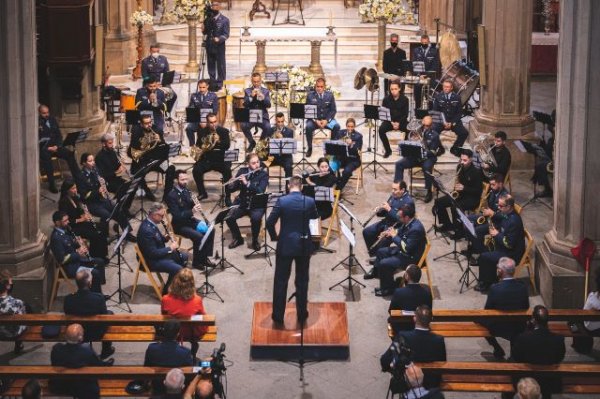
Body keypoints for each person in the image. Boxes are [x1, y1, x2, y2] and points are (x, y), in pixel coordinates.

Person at [267, 175, 319, 324]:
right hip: (303, 245)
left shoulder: (282, 201)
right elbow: (315, 217)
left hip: (285, 245)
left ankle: (278, 316)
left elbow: (270, 222)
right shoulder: (309, 201)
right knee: (302, 281)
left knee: (280, 281)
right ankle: (302, 313)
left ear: (289, 186)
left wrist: (275, 237)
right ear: (301, 187)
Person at [366, 204, 426, 297]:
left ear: (406, 217)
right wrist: (389, 232)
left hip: (411, 257)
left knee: (384, 263)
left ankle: (388, 289)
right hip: (405, 251)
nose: (398, 219)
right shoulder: (409, 222)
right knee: (381, 251)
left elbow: (406, 248)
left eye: (400, 217)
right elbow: (401, 231)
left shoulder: (416, 229)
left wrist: (394, 236)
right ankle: (380, 275)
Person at [381, 306, 446, 390]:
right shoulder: (439, 340)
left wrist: (387, 367)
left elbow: (385, 359)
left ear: (414, 318)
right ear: (431, 319)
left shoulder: (403, 336)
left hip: (409, 381)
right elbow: (442, 362)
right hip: (431, 382)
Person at [76, 152, 136, 242]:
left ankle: (127, 233)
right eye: (90, 161)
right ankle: (104, 237)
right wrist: (97, 191)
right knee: (107, 215)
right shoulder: (81, 176)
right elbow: (84, 196)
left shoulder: (95, 169)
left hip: (102, 199)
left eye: (93, 160)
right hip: (92, 203)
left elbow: (102, 179)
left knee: (118, 211)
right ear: (84, 163)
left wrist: (104, 183)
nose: (93, 162)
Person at [165, 169, 215, 270]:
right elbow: (177, 216)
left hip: (190, 221)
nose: (185, 182)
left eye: (186, 179)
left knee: (211, 229)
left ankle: (204, 257)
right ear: (176, 181)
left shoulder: (187, 191)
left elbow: (190, 203)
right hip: (179, 225)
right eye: (182, 179)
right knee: (198, 236)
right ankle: (196, 262)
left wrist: (196, 204)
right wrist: (192, 211)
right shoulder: (171, 196)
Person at [475, 194, 525, 292]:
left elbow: (509, 244)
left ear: (509, 207)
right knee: (486, 252)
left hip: (512, 253)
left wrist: (497, 234)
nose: (498, 207)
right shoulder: (507, 214)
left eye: (501, 206)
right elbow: (501, 220)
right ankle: (490, 277)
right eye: (498, 204)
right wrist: (494, 226)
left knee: (484, 257)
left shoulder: (514, 221)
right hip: (505, 247)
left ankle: (486, 283)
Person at [512, 305, 566, 399]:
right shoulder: (558, 339)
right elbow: (560, 357)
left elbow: (517, 357)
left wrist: (527, 330)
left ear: (534, 320)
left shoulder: (523, 338)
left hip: (528, 377)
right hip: (549, 380)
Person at [482, 257, 529, 359]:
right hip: (518, 325)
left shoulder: (495, 288)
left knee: (478, 319)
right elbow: (526, 307)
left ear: (500, 271)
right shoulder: (522, 287)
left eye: (497, 268)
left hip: (499, 327)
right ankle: (513, 355)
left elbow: (487, 310)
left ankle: (497, 348)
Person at [49, 323, 113, 399]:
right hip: (83, 388)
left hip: (61, 385)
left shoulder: (56, 349)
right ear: (81, 338)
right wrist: (104, 365)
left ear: (65, 336)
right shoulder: (86, 350)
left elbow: (54, 363)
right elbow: (97, 366)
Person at [49, 211, 107, 294]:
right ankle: (95, 295)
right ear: (57, 222)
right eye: (65, 221)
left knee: (100, 262)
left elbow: (70, 243)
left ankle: (96, 290)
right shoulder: (56, 238)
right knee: (95, 273)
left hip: (76, 260)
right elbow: (62, 260)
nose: (68, 222)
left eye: (67, 219)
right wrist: (78, 253)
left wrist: (78, 243)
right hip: (70, 267)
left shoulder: (64, 230)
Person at [137, 203, 187, 295]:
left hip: (159, 254)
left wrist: (166, 237)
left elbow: (158, 239)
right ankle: (167, 292)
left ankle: (175, 285)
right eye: (162, 216)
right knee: (178, 269)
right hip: (151, 260)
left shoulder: (152, 223)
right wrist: (170, 248)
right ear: (154, 215)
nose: (163, 218)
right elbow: (152, 253)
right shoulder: (146, 230)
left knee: (184, 256)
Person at [64, 270, 115, 359]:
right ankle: (106, 349)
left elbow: (67, 314)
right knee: (109, 314)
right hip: (95, 333)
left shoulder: (68, 299)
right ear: (90, 283)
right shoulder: (98, 298)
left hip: (76, 333)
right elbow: (104, 317)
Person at [225, 152, 269, 251]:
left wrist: (247, 183)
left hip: (257, 203)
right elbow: (234, 188)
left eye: (258, 162)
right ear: (247, 164)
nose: (257, 164)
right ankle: (238, 238)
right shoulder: (242, 171)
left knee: (256, 219)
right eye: (253, 163)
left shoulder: (263, 174)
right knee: (228, 217)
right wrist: (231, 184)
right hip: (242, 202)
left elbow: (261, 190)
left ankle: (254, 240)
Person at [433, 149, 482, 235]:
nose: (462, 162)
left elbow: (478, 191)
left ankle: (459, 231)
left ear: (470, 159)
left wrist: (464, 188)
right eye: (461, 160)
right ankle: (447, 224)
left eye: (465, 160)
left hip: (472, 198)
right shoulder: (460, 167)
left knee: (454, 207)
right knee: (439, 202)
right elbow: (459, 181)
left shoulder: (476, 172)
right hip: (461, 194)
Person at [161, 269, 208, 359]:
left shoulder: (165, 299)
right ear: (192, 284)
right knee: (200, 320)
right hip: (191, 331)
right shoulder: (197, 300)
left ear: (175, 282)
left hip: (174, 331)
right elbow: (203, 317)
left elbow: (163, 316)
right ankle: (193, 347)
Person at [58, 179, 109, 259]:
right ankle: (96, 256)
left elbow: (80, 210)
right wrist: (81, 219)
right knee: (95, 234)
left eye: (75, 187)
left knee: (102, 227)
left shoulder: (75, 197)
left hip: (81, 223)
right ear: (67, 190)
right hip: (73, 227)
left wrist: (85, 213)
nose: (75, 190)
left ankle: (103, 253)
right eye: (73, 188)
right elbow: (66, 221)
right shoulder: (63, 202)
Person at [394, 115, 441, 202]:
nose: (426, 127)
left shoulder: (435, 135)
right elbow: (409, 143)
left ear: (431, 125)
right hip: (415, 157)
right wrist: (412, 142)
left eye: (428, 126)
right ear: (422, 123)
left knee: (427, 168)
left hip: (427, 158)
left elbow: (433, 152)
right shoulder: (416, 131)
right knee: (398, 164)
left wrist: (423, 151)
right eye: (424, 125)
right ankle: (398, 188)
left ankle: (428, 191)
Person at [363, 180, 414, 256]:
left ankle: (380, 258)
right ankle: (373, 255)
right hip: (386, 221)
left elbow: (402, 220)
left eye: (395, 189)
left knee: (382, 242)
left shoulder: (408, 202)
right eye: (392, 189)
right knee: (367, 232)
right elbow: (386, 211)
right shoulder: (394, 195)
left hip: (397, 227)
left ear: (402, 190)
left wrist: (389, 209)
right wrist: (379, 210)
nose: (392, 191)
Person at [192, 113, 232, 200]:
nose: (213, 124)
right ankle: (202, 193)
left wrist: (218, 142)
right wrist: (199, 150)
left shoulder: (223, 131)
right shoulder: (202, 131)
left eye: (215, 121)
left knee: (227, 171)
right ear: (207, 122)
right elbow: (198, 144)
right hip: (207, 159)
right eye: (211, 122)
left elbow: (227, 145)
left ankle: (227, 196)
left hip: (220, 160)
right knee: (196, 170)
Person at [145, 321, 194, 393]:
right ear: (177, 334)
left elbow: (146, 366)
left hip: (157, 385)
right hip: (177, 386)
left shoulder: (152, 348)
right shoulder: (185, 352)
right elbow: (188, 372)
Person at [38, 104, 78, 193]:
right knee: (47, 161)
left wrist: (57, 146)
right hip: (45, 149)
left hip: (56, 147)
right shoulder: (37, 122)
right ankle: (52, 184)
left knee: (69, 154)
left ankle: (77, 177)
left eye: (47, 112)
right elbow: (36, 139)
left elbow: (59, 135)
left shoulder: (52, 119)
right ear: (39, 113)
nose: (47, 114)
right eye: (44, 113)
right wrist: (48, 148)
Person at [128, 113, 168, 201]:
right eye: (146, 123)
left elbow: (164, 148)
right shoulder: (136, 131)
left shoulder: (156, 129)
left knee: (171, 169)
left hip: (155, 161)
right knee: (137, 173)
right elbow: (130, 151)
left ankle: (167, 196)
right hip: (143, 161)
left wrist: (160, 141)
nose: (149, 125)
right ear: (141, 124)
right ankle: (148, 193)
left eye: (150, 122)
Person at [95, 132, 134, 215]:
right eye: (110, 143)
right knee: (123, 189)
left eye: (112, 142)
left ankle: (125, 208)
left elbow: (117, 164)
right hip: (107, 182)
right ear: (103, 144)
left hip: (116, 178)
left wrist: (120, 166)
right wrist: (116, 172)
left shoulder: (112, 152)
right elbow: (102, 175)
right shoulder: (99, 157)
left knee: (132, 187)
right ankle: (120, 211)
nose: (112, 145)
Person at [465, 173, 508, 248]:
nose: (491, 187)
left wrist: (493, 213)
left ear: (500, 184)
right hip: (489, 217)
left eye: (493, 185)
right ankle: (474, 243)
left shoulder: (505, 197)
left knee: (477, 230)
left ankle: (480, 250)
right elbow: (489, 205)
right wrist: (485, 209)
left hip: (497, 223)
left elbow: (505, 216)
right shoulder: (493, 192)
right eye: (490, 184)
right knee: (467, 219)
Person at [388, 264, 433, 334]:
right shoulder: (427, 291)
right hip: (422, 324)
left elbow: (391, 311)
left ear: (407, 276)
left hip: (403, 326)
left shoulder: (399, 292)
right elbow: (429, 309)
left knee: (390, 319)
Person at [304, 77, 340, 157]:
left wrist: (327, 120)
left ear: (324, 87)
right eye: (318, 86)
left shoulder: (330, 95)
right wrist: (315, 120)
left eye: (321, 87)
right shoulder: (310, 96)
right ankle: (310, 147)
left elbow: (333, 110)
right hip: (314, 120)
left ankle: (331, 148)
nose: (319, 88)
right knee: (308, 127)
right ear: (315, 86)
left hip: (326, 120)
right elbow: (308, 111)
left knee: (336, 126)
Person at [432, 79, 468, 156]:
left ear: (451, 88)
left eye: (448, 87)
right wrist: (443, 122)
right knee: (433, 132)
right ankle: (440, 148)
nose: (446, 88)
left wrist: (452, 123)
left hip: (453, 121)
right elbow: (436, 112)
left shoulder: (457, 97)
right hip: (441, 121)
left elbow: (459, 113)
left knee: (464, 133)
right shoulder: (438, 97)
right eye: (444, 87)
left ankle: (455, 148)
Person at [141, 43, 177, 113]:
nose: (155, 53)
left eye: (157, 51)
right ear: (150, 51)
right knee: (153, 96)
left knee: (174, 96)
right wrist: (154, 84)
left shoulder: (163, 59)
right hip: (150, 84)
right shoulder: (145, 61)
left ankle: (167, 112)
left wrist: (162, 83)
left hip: (162, 83)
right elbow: (144, 76)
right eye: (154, 52)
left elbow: (167, 73)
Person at [242, 72, 271, 152]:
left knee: (268, 127)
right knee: (243, 125)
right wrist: (251, 96)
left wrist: (263, 97)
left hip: (262, 116)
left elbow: (268, 105)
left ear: (260, 81)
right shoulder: (247, 91)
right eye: (254, 82)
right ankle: (252, 142)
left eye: (258, 81)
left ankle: (260, 144)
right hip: (251, 116)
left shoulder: (265, 91)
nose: (256, 83)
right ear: (252, 81)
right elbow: (245, 104)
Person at [203, 2, 229, 90]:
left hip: (219, 46)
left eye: (216, 5)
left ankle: (220, 82)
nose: (214, 7)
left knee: (220, 64)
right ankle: (212, 81)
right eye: (213, 6)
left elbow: (226, 34)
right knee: (210, 64)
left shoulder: (224, 20)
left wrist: (220, 38)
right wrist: (203, 29)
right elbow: (206, 32)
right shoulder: (208, 19)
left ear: (219, 7)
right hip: (209, 44)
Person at [380, 81, 409, 158]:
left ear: (399, 89)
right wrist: (392, 122)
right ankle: (388, 150)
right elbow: (384, 114)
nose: (393, 91)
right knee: (381, 130)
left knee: (409, 129)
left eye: (395, 89)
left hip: (401, 121)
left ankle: (404, 149)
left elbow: (405, 114)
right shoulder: (386, 99)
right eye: (392, 89)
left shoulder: (405, 99)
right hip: (390, 121)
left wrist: (399, 123)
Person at [186, 79, 219, 146]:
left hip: (209, 121)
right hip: (198, 120)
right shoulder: (194, 96)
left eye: (203, 87)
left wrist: (206, 121)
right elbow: (191, 110)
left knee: (204, 131)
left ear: (207, 86)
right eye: (200, 87)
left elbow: (215, 111)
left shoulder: (213, 96)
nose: (201, 89)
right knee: (188, 128)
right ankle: (192, 146)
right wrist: (199, 121)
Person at [0, 270, 26, 354]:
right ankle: (18, 344)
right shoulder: (17, 303)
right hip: (13, 333)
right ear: (7, 286)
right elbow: (23, 318)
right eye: (11, 282)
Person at [260, 112, 294, 178]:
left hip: (285, 157)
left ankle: (288, 186)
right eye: (278, 122)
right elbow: (263, 145)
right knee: (259, 165)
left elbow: (289, 148)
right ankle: (262, 183)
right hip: (272, 157)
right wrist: (269, 142)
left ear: (284, 120)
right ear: (275, 121)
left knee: (289, 167)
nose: (280, 124)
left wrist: (282, 138)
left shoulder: (290, 131)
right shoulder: (270, 130)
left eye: (282, 121)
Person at [333, 118, 363, 191]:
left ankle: (338, 190)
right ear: (346, 126)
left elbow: (357, 150)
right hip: (341, 159)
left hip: (353, 160)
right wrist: (342, 142)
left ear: (354, 126)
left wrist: (351, 144)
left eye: (352, 127)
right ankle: (339, 179)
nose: (350, 128)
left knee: (346, 172)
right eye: (348, 126)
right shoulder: (340, 133)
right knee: (329, 168)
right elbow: (334, 143)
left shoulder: (358, 136)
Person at [412, 34, 441, 109]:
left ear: (429, 42)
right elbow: (414, 64)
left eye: (426, 43)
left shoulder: (434, 51)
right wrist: (419, 75)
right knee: (418, 98)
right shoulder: (416, 50)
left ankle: (430, 115)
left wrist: (426, 75)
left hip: (430, 78)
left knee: (430, 99)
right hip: (419, 78)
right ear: (420, 42)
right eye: (423, 42)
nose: (424, 44)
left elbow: (436, 66)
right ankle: (418, 114)